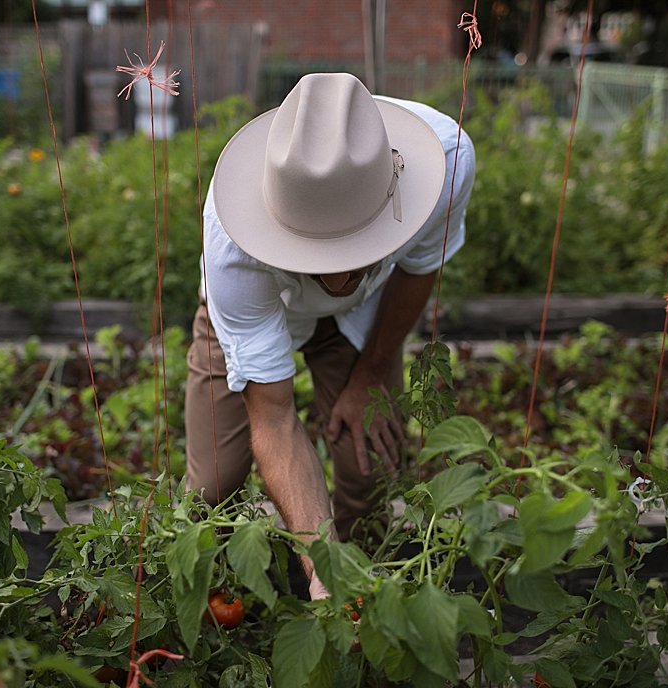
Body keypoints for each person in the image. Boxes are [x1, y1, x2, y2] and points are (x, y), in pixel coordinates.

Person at [183, 73, 475, 600]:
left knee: (367, 468)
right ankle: (219, 600)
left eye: (354, 255)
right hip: (262, 312)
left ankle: (369, 610)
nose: (340, 282)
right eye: (320, 261)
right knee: (213, 484)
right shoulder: (234, 247)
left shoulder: (445, 163)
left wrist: (370, 373)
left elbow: (418, 268)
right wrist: (322, 570)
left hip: (360, 322)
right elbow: (273, 417)